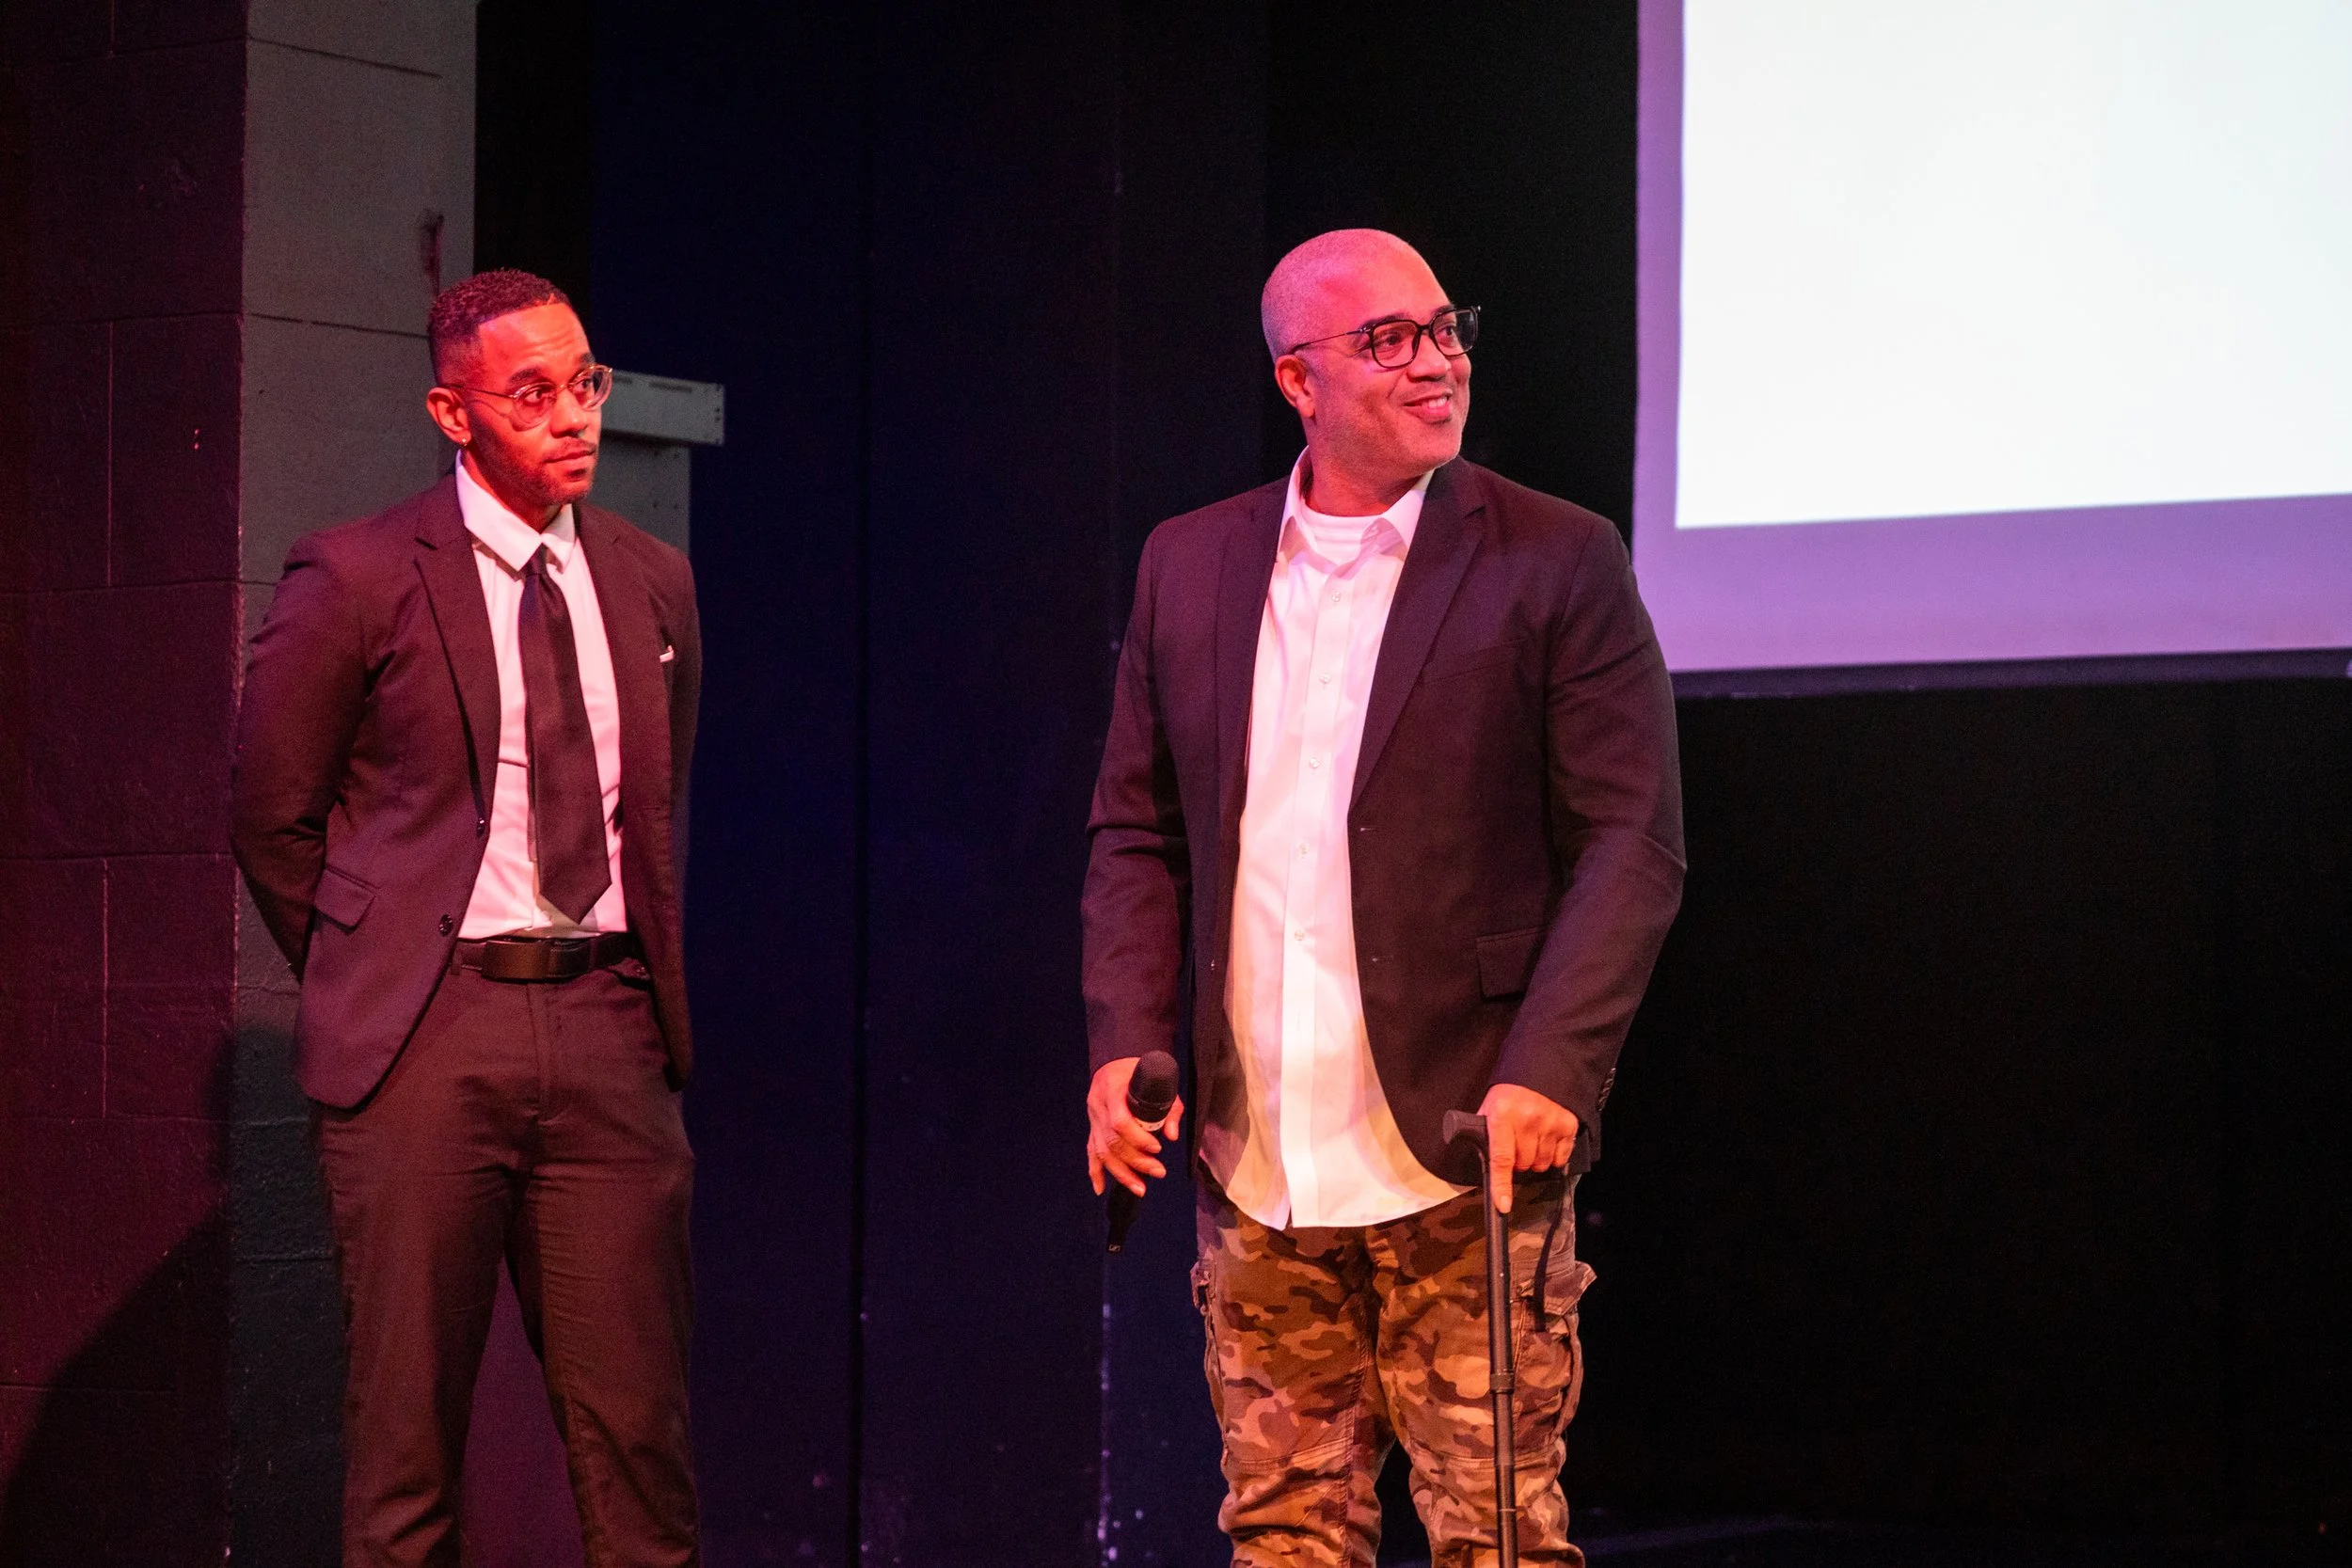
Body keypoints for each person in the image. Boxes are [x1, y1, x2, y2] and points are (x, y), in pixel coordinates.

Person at [1081, 230, 1684, 1566]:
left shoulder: (1555, 555)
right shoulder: (1191, 561)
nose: (1436, 362)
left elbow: (1631, 840)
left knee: (1496, 1542)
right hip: (1257, 1159)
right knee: (1286, 1538)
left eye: (1444, 328)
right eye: (1390, 340)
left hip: (1467, 1145)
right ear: (1298, 381)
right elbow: (1136, 827)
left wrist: (1553, 1068)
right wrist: (1124, 1039)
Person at [232, 269, 703, 1564]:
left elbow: (652, 807)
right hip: (428, 1037)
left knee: (642, 1450)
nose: (575, 416)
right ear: (454, 413)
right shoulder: (360, 573)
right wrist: (381, 969)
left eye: (585, 383)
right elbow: (272, 818)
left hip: (607, 1030)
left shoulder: (652, 581)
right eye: (531, 394)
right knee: (406, 1459)